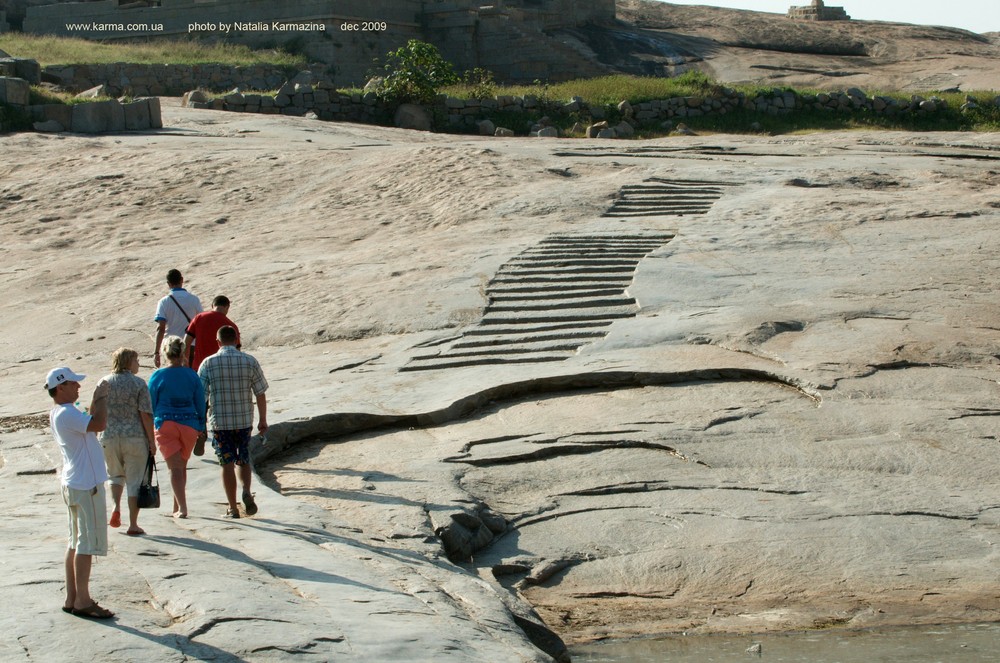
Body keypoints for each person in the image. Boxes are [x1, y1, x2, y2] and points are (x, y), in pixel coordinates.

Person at [46, 366, 114, 620]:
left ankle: (72, 597)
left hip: (74, 481)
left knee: (75, 541)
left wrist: (96, 400)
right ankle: (83, 601)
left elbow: (90, 423)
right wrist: (102, 398)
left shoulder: (60, 412)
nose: (78, 387)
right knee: (86, 543)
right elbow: (99, 423)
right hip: (86, 484)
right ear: (60, 387)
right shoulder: (66, 413)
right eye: (73, 383)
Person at [198, 325, 268, 518]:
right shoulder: (249, 361)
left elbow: (201, 397)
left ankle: (233, 507)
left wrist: (200, 423)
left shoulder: (208, 363)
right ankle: (246, 489)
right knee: (243, 460)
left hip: (220, 423)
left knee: (226, 463)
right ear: (237, 339)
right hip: (244, 420)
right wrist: (262, 420)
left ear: (218, 342)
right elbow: (260, 393)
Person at [148, 336, 207, 519]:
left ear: (165, 352)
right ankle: (177, 505)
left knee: (174, 468)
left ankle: (182, 508)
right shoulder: (191, 375)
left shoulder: (158, 375)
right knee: (181, 466)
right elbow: (200, 402)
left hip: (165, 423)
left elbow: (150, 404)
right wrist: (201, 426)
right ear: (183, 352)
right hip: (189, 424)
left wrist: (148, 430)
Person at [99, 348, 156, 536]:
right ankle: (133, 524)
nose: (138, 363)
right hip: (135, 436)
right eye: (136, 360)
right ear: (128, 362)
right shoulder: (139, 383)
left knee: (115, 475)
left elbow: (96, 409)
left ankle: (116, 507)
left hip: (109, 435)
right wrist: (152, 441)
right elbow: (145, 415)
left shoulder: (104, 382)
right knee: (135, 480)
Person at [153, 269, 202, 368]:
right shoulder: (194, 299)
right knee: (189, 373)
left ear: (168, 283)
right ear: (182, 280)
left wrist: (156, 352)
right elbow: (201, 322)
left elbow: (161, 328)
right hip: (190, 343)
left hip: (170, 346)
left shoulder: (163, 302)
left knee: (172, 373)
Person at [184, 295, 239, 372]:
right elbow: (237, 350)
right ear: (227, 307)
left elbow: (186, 343)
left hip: (199, 368)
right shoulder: (231, 326)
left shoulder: (199, 318)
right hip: (221, 369)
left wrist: (185, 363)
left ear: (212, 305)